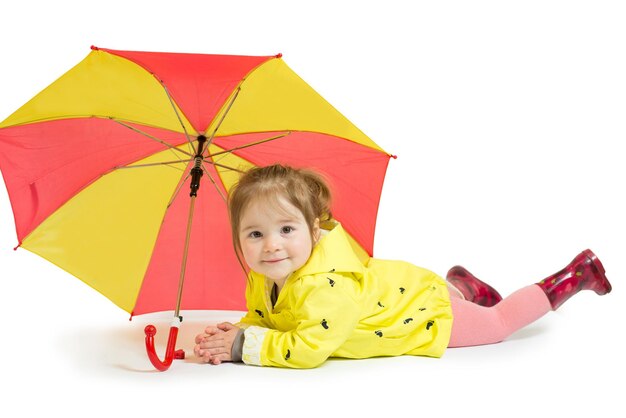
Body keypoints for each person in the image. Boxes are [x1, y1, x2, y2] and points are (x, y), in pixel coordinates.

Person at [193, 164, 612, 368]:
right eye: (254, 234)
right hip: (394, 290)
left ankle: (575, 275)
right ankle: (461, 286)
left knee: (498, 325)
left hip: (415, 313)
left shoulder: (327, 288)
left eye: (286, 229)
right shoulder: (265, 277)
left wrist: (242, 348)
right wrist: (242, 328)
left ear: (315, 230)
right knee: (457, 300)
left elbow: (309, 349)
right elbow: (270, 317)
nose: (271, 247)